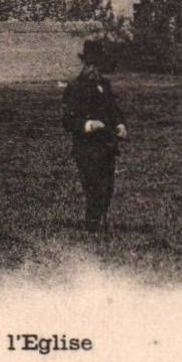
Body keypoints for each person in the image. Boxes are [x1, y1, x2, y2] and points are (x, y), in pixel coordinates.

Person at [61, 38, 129, 232]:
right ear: (84, 64)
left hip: (107, 145)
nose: (94, 69)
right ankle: (92, 225)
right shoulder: (75, 88)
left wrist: (120, 124)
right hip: (86, 147)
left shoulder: (105, 85)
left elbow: (114, 109)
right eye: (91, 64)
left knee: (107, 187)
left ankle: (101, 221)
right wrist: (89, 124)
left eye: (98, 64)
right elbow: (67, 120)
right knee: (93, 186)